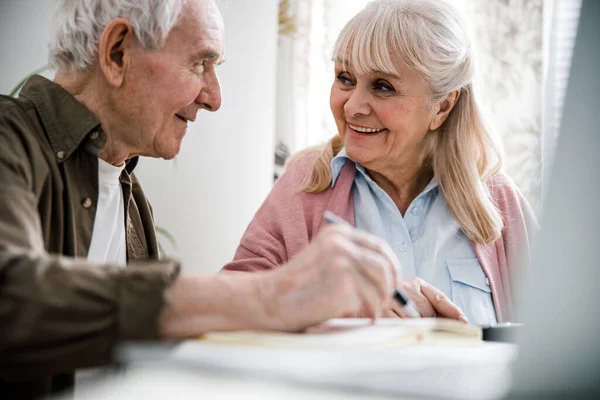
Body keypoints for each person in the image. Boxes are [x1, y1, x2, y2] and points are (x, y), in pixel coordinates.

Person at [0, 0, 424, 397]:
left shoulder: (127, 196)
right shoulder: (7, 138)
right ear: (117, 54)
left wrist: (348, 306)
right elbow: (12, 294)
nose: (214, 98)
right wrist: (272, 296)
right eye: (200, 62)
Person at [223, 0, 538, 326]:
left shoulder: (499, 200)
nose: (353, 107)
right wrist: (337, 306)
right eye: (345, 78)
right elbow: (227, 308)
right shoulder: (304, 185)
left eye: (383, 86)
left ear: (442, 106)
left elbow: (557, 337)